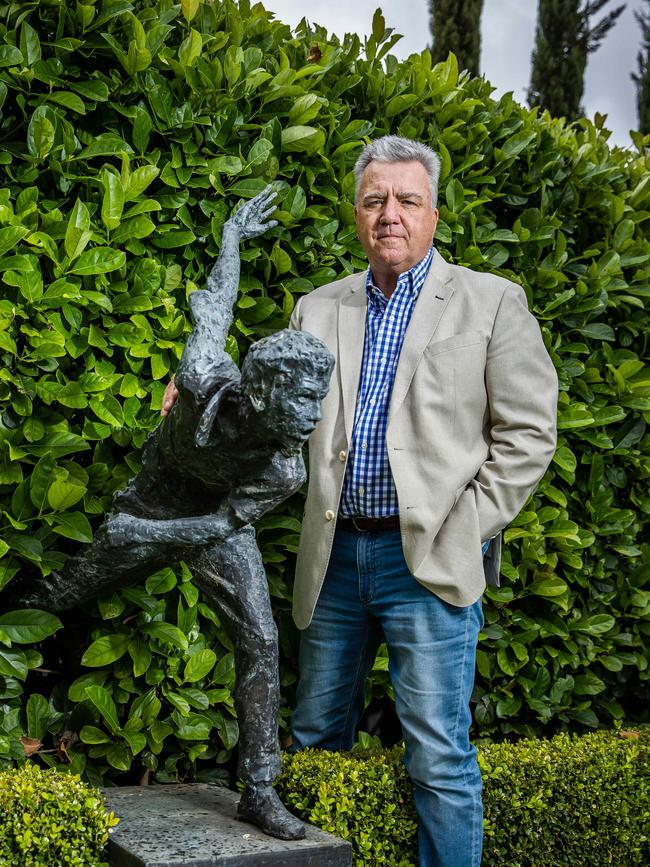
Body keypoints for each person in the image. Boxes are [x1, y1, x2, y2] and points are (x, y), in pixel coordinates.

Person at [161, 135, 558, 866]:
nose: (390, 215)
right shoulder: (318, 307)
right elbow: (266, 392)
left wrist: (465, 524)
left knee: (438, 754)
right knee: (314, 740)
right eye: (375, 200)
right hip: (337, 555)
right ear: (357, 213)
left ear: (434, 212)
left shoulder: (492, 302)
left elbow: (529, 434)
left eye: (407, 199)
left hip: (430, 561)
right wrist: (199, 394)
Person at [16, 188, 334, 842]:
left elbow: (213, 530)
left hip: (212, 524)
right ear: (263, 389)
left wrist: (151, 539)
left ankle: (260, 787)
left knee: (263, 637)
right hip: (152, 504)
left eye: (318, 401)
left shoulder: (284, 467)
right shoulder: (200, 379)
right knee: (60, 593)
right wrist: (230, 236)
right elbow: (216, 304)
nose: (311, 416)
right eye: (301, 399)